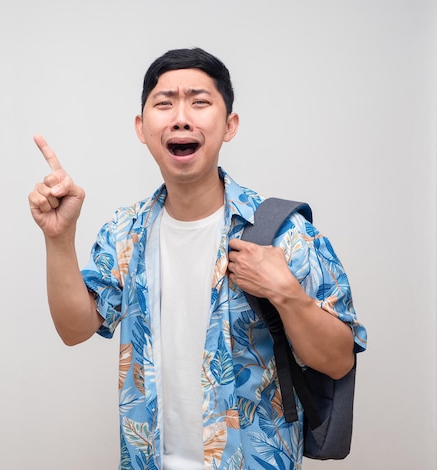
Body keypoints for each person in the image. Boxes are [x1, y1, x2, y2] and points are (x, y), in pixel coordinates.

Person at [28, 47, 367, 469]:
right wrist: (59, 239)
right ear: (141, 126)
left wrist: (287, 295)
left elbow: (338, 361)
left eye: (200, 102)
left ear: (230, 125)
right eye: (164, 103)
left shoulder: (283, 234)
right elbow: (75, 329)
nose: (181, 117)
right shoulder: (125, 232)